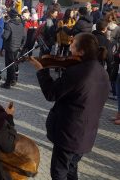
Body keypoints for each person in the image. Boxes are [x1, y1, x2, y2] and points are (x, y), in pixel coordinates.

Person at [29, 33, 109, 180]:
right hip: (86, 134)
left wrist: (41, 71)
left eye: (73, 44)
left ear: (81, 51)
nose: (70, 46)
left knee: (59, 173)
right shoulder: (102, 72)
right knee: (71, 169)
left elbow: (51, 94)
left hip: (69, 135)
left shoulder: (77, 72)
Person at [1, 9, 26, 89]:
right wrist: (21, 46)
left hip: (10, 48)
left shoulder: (9, 24)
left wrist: (3, 32)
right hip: (17, 47)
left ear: (10, 15)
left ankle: (8, 83)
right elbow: (24, 37)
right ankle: (12, 79)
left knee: (9, 65)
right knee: (14, 64)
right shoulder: (21, 24)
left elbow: (5, 36)